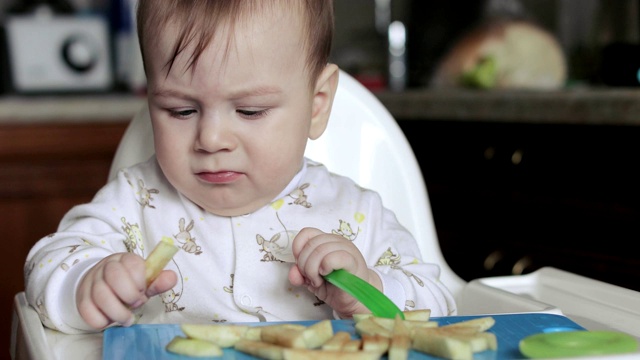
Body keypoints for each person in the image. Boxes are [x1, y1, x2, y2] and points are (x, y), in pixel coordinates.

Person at [24, 0, 457, 334]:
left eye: (249, 111)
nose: (212, 140)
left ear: (317, 105)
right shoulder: (134, 203)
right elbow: (47, 265)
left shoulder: (355, 215)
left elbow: (439, 303)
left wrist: (371, 292)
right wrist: (88, 286)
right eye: (180, 110)